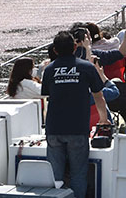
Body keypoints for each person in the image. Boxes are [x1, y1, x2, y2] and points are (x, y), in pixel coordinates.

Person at [41, 30, 108, 198]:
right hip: (78, 128)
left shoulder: (49, 70)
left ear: (55, 50)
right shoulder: (86, 67)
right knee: (78, 174)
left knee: (55, 177)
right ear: (75, 47)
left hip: (54, 129)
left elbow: (47, 99)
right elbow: (99, 96)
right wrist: (103, 119)